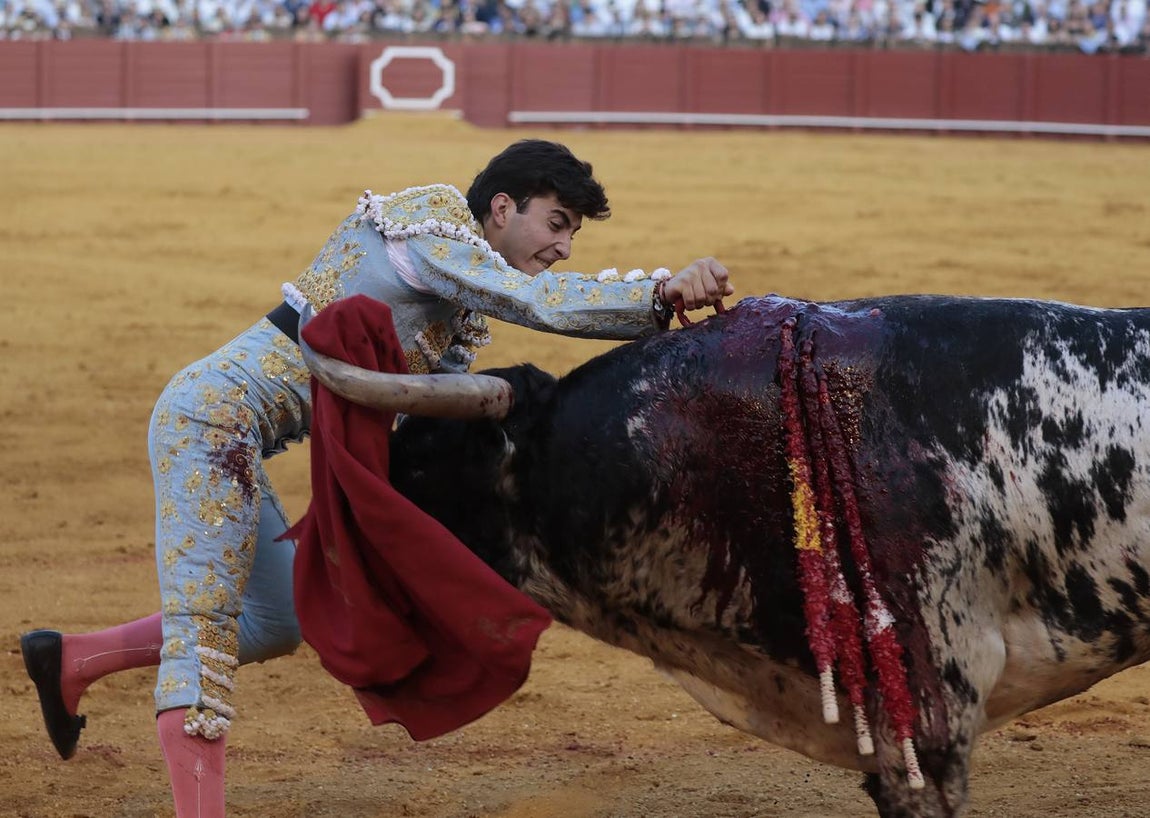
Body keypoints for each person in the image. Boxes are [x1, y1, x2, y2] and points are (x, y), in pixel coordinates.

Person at [19, 138, 732, 818]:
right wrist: (659, 296)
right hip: (209, 424)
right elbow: (534, 304)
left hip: (241, 437)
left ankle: (73, 660)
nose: (564, 247)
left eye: (573, 234)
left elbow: (426, 426)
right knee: (203, 639)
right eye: (556, 223)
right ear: (503, 207)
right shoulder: (428, 228)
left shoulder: (454, 307)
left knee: (275, 621)